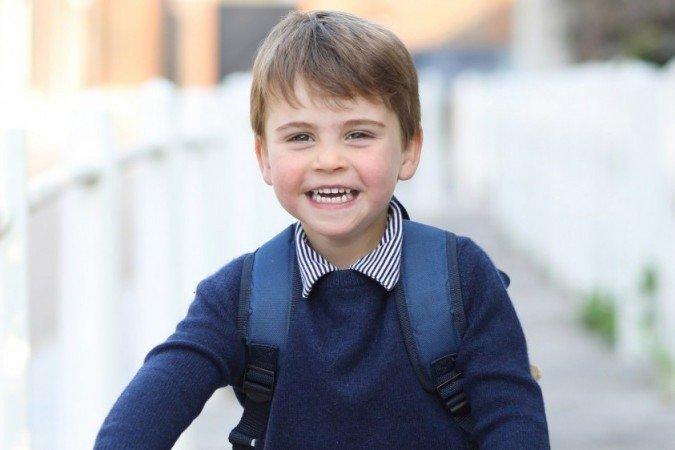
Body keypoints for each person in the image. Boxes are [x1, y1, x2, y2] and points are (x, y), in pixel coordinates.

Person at [94, 9, 550, 449]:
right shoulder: (238, 298)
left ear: (409, 150)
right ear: (264, 157)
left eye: (358, 134)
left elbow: (513, 420)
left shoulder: (463, 279)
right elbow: (143, 415)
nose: (329, 160)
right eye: (300, 137)